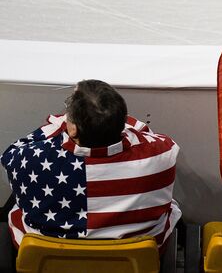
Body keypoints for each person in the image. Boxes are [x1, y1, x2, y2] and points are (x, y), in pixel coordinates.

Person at [1, 80, 181, 249]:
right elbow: (146, 133)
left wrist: (58, 127)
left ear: (72, 129)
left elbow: (12, 152)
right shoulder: (163, 153)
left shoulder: (27, 159)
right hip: (134, 260)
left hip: (49, 259)